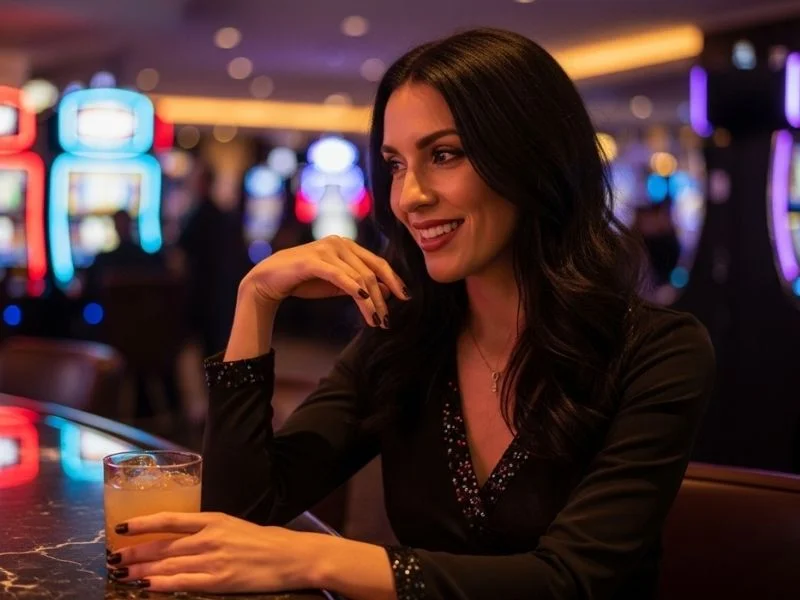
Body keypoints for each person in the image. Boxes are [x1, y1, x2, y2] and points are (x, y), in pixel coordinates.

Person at [106, 28, 715, 599]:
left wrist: (315, 558)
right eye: (396, 164)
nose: (408, 196)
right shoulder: (403, 336)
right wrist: (256, 298)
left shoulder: (657, 351)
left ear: (533, 160)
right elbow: (244, 510)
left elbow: (572, 580)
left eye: (444, 155)